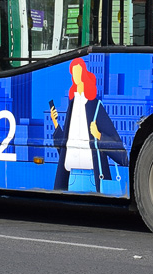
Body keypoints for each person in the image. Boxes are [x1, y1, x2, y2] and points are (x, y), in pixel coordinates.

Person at [50, 57, 127, 192]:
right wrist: (55, 123)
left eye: (78, 72)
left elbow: (121, 154)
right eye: (73, 73)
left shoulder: (95, 105)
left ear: (84, 74)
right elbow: (64, 147)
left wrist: (99, 135)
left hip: (94, 177)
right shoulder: (72, 105)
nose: (76, 77)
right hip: (71, 177)